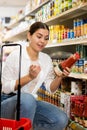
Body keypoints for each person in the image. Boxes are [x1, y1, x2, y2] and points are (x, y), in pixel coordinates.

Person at [1, 21, 70, 130]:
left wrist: (60, 76)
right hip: (8, 101)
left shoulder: (46, 59)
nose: (42, 41)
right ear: (29, 35)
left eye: (46, 38)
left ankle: (27, 127)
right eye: (39, 36)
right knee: (27, 98)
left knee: (61, 119)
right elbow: (5, 87)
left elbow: (50, 88)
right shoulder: (16, 55)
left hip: (31, 102)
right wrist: (29, 77)